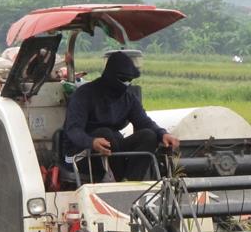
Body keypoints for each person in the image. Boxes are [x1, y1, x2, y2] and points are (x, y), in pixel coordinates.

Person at [63, 51, 179, 182]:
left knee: (149, 135)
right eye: (123, 80)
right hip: (82, 153)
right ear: (110, 76)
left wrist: (162, 133)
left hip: (113, 149)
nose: (127, 84)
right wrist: (92, 142)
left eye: (130, 80)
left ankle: (130, 180)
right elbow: (73, 130)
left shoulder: (128, 97)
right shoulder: (84, 94)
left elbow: (144, 122)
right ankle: (119, 180)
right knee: (105, 133)